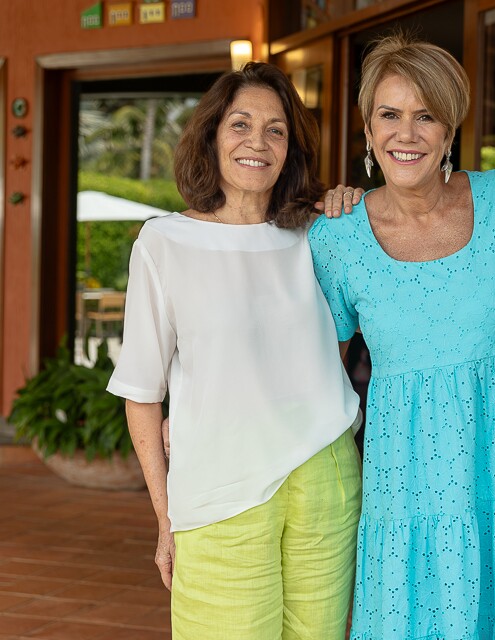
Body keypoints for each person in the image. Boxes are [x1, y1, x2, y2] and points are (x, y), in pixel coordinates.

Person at [308, 35, 495, 639]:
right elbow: (319, 373)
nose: (406, 133)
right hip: (408, 487)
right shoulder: (335, 238)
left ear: (450, 131)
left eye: (426, 117)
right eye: (389, 115)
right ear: (367, 131)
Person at [107, 62, 362, 640]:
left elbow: (339, 336)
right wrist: (164, 517)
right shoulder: (165, 243)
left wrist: (349, 201)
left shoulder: (320, 233)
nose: (257, 141)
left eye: (276, 129)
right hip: (221, 488)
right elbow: (141, 393)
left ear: (291, 148)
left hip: (326, 477)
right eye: (240, 124)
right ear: (212, 136)